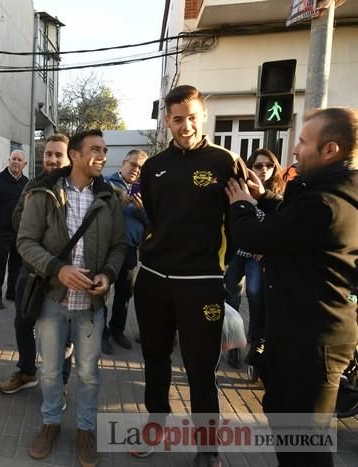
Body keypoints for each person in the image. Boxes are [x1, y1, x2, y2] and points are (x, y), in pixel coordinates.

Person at [225, 107, 358, 467]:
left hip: (313, 342)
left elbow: (258, 236)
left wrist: (240, 205)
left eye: (302, 141)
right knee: (288, 426)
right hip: (298, 333)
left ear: (330, 150)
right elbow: (292, 224)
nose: (295, 150)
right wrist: (263, 198)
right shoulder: (327, 192)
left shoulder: (326, 203)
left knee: (306, 446)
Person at [133, 85, 247, 466]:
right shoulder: (153, 167)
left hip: (200, 285)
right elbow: (152, 216)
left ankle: (208, 445)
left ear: (203, 116)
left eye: (192, 117)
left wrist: (222, 271)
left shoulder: (226, 161)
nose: (185, 126)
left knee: (200, 368)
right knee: (154, 358)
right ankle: (156, 421)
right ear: (167, 121)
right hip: (152, 280)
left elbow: (240, 219)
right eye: (178, 119)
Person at [17, 129, 126, 467]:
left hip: (91, 307)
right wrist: (57, 268)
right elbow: (25, 241)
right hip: (52, 300)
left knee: (89, 374)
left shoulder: (109, 198)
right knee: (50, 371)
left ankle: (85, 429)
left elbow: (120, 246)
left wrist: (107, 274)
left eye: (105, 150)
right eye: (95, 149)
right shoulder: (44, 192)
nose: (102, 156)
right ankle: (50, 423)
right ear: (75, 155)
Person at [0, 134, 73, 395]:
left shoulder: (76, 189)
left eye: (58, 154)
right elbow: (18, 222)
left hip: (63, 277)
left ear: (70, 157)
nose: (52, 159)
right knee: (22, 324)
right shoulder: (32, 186)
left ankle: (59, 384)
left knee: (62, 336)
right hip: (30, 271)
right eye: (48, 154)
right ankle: (27, 371)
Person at [224, 148, 285, 369]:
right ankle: (233, 346)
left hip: (257, 257)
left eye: (269, 166)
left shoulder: (277, 196)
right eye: (258, 165)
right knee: (231, 298)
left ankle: (257, 341)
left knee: (256, 294)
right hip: (236, 254)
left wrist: (265, 247)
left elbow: (280, 227)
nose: (264, 170)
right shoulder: (241, 187)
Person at [103, 149, 148, 352]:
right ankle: (101, 334)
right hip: (107, 247)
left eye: (140, 167)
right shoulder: (106, 183)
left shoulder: (145, 190)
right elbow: (97, 213)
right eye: (133, 164)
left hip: (130, 248)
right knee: (102, 292)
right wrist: (119, 204)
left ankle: (117, 330)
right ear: (123, 163)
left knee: (124, 293)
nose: (136, 170)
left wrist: (140, 210)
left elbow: (151, 223)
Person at [0, 150, 28, 309]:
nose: (16, 162)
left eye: (19, 160)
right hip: (0, 231)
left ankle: (12, 293)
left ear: (25, 164)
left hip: (19, 232)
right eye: (13, 159)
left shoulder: (26, 183)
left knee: (17, 266)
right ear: (9, 160)